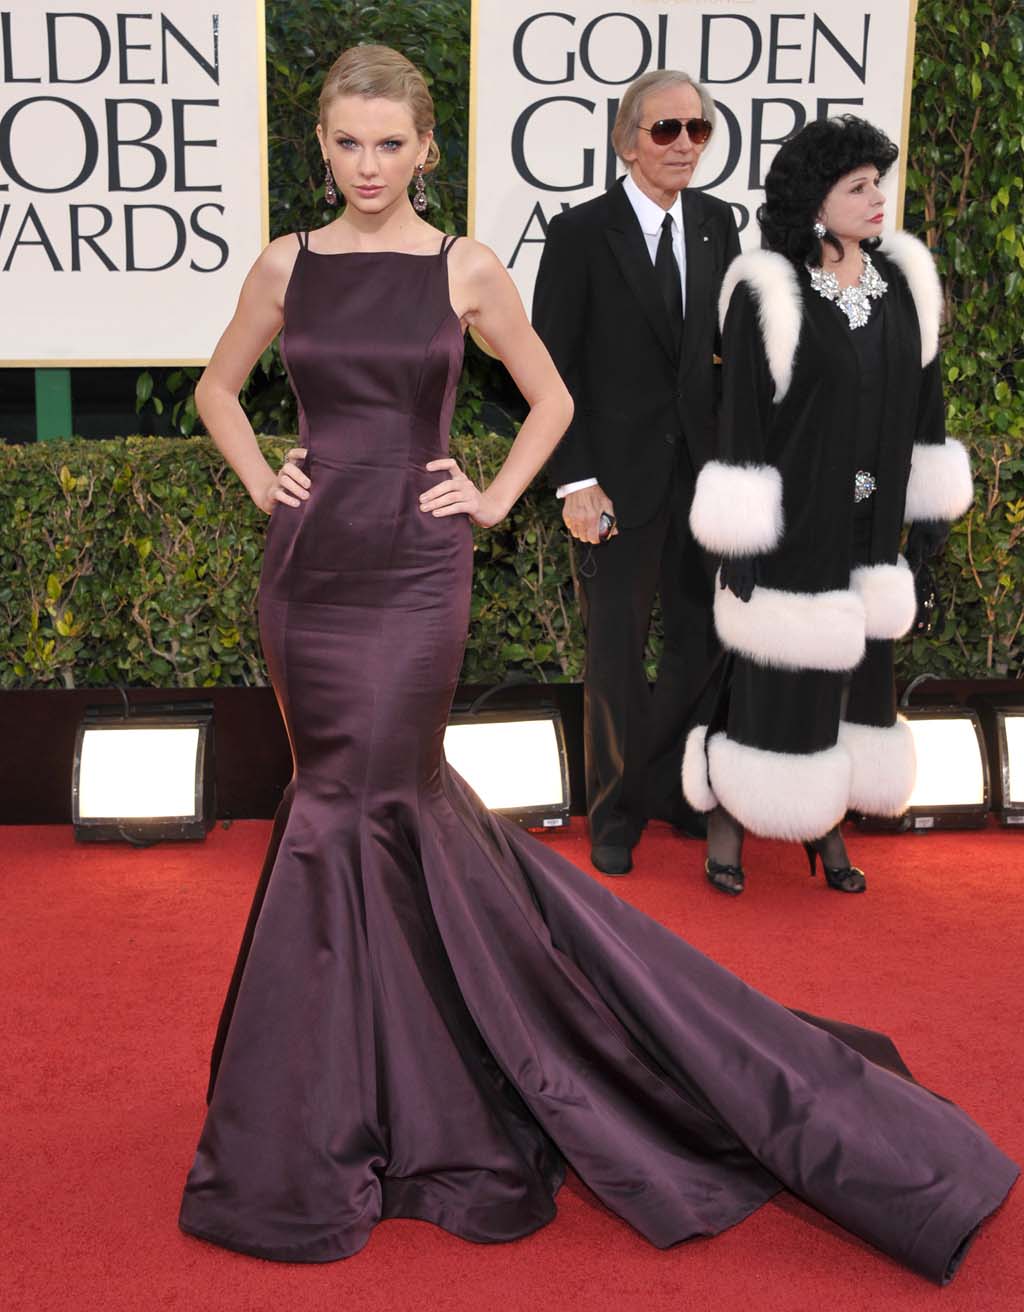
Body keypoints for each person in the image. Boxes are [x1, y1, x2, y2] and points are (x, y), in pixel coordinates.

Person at [178, 51, 1016, 1281]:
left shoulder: (464, 266)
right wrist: (264, 478)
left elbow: (553, 399)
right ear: (321, 147)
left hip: (415, 570)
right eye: (347, 143)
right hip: (309, 575)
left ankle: (394, 1078)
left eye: (389, 144)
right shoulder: (283, 265)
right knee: (331, 799)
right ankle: (335, 1080)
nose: (367, 165)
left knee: (379, 795)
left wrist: (489, 497)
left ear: (425, 150)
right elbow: (216, 387)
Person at [683, 116, 973, 896]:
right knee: (778, 673)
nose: (878, 198)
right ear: (816, 201)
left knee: (858, 674)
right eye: (858, 186)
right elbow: (741, 416)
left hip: (873, 525)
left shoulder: (905, 281)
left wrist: (928, 509)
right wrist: (741, 538)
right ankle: (731, 810)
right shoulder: (767, 288)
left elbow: (927, 402)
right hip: (794, 517)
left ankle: (827, 815)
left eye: (879, 183)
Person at [533, 71, 740, 876]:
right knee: (615, 653)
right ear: (627, 142)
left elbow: (725, 356)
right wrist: (574, 479)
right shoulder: (581, 233)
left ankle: (670, 790)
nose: (685, 144)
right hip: (614, 482)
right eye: (666, 129)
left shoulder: (719, 224)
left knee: (703, 642)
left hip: (703, 479)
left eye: (698, 129)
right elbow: (552, 369)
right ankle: (614, 814)